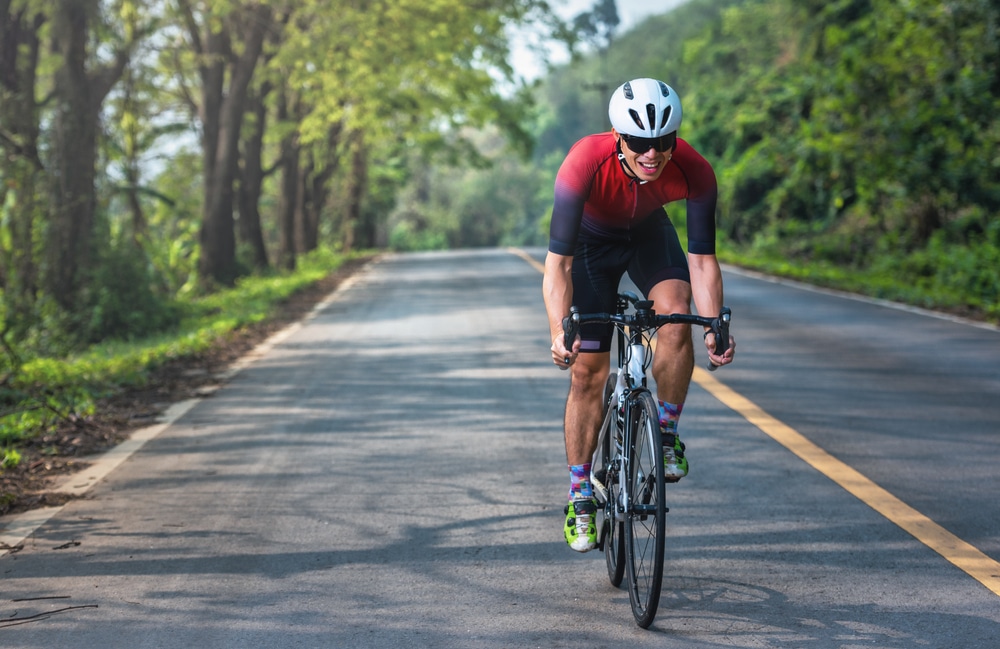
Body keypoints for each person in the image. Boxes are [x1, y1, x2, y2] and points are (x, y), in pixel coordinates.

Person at [543, 77, 736, 552]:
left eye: (663, 143)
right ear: (618, 137)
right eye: (640, 143)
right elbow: (558, 264)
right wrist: (558, 329)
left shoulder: (694, 170)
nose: (652, 154)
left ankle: (666, 431)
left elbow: (703, 261)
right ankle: (580, 494)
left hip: (648, 235)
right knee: (588, 372)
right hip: (589, 247)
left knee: (677, 315)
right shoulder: (583, 163)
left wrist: (715, 325)